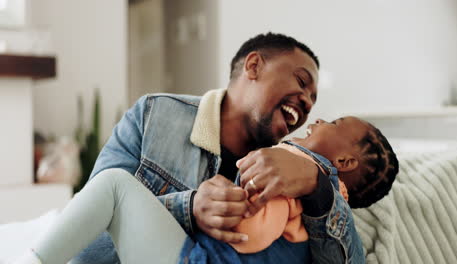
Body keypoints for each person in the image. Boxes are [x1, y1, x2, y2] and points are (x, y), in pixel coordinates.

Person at [14, 33, 366, 263]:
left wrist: (318, 188)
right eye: (301, 82)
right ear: (254, 66)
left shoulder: (304, 175)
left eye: (313, 100)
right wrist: (188, 209)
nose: (306, 103)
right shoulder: (154, 117)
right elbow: (89, 240)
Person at [183, 116, 399, 262]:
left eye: (334, 123)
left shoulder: (290, 165)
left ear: (343, 161)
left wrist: (230, 207)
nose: (319, 119)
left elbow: (252, 231)